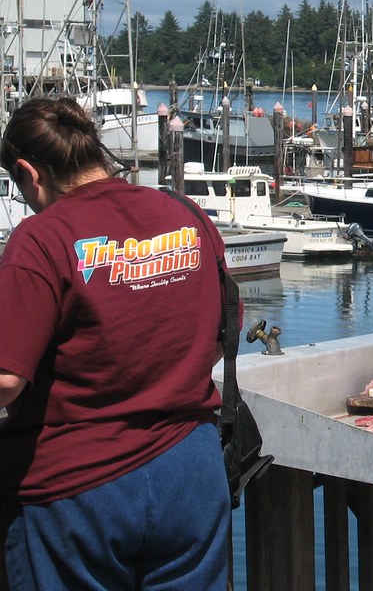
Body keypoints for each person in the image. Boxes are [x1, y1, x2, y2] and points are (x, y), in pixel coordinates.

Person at [0, 97, 231, 590]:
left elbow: (6, 379)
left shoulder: (41, 239)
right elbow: (223, 332)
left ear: (28, 172)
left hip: (79, 484)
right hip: (190, 470)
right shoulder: (184, 213)